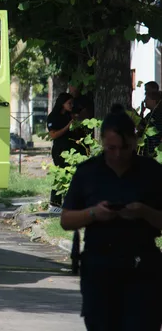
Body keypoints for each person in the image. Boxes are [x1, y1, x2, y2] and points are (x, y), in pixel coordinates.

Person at [61, 104, 162, 330]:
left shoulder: (151, 172)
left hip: (142, 267)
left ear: (134, 142)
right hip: (99, 267)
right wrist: (94, 213)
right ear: (103, 143)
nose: (117, 155)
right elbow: (66, 220)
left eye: (123, 148)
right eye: (111, 148)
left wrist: (143, 211)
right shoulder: (89, 172)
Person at [47, 92, 85, 213]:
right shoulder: (53, 117)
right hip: (60, 149)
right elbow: (53, 134)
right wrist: (68, 126)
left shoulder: (70, 115)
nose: (71, 105)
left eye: (72, 103)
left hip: (73, 149)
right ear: (62, 104)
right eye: (69, 103)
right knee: (60, 173)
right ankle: (55, 203)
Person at [139, 90, 161, 158]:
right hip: (148, 151)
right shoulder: (150, 115)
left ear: (154, 100)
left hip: (156, 152)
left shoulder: (158, 114)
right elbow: (141, 126)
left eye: (147, 99)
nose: (144, 101)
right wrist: (142, 112)